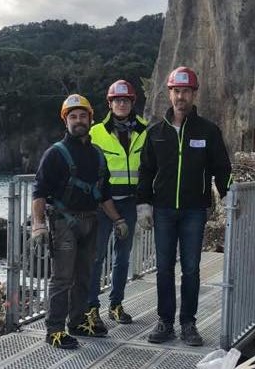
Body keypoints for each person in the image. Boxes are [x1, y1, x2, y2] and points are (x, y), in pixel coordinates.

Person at [136, 66, 232, 346]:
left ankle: (188, 323)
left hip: (194, 211)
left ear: (193, 94)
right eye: (177, 91)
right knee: (164, 268)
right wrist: (143, 203)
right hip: (163, 210)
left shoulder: (208, 131)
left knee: (191, 268)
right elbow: (145, 171)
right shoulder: (156, 133)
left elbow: (222, 167)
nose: (181, 97)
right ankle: (165, 322)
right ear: (170, 94)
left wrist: (227, 195)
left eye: (186, 91)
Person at [31, 94, 129, 350]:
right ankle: (54, 330)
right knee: (62, 278)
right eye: (72, 117)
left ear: (90, 118)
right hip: (63, 223)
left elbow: (104, 193)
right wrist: (38, 225)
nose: (78, 121)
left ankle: (76, 323)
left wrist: (118, 219)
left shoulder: (97, 154)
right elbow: (39, 192)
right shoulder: (55, 154)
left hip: (91, 221)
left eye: (82, 116)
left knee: (84, 276)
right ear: (66, 121)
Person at [87, 80, 148, 330]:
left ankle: (116, 304)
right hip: (102, 206)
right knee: (96, 257)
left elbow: (150, 167)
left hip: (131, 204)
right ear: (110, 104)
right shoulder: (96, 132)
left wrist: (147, 203)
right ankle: (91, 308)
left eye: (126, 100)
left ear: (132, 103)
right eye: (117, 100)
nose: (121, 104)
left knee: (122, 258)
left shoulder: (145, 129)